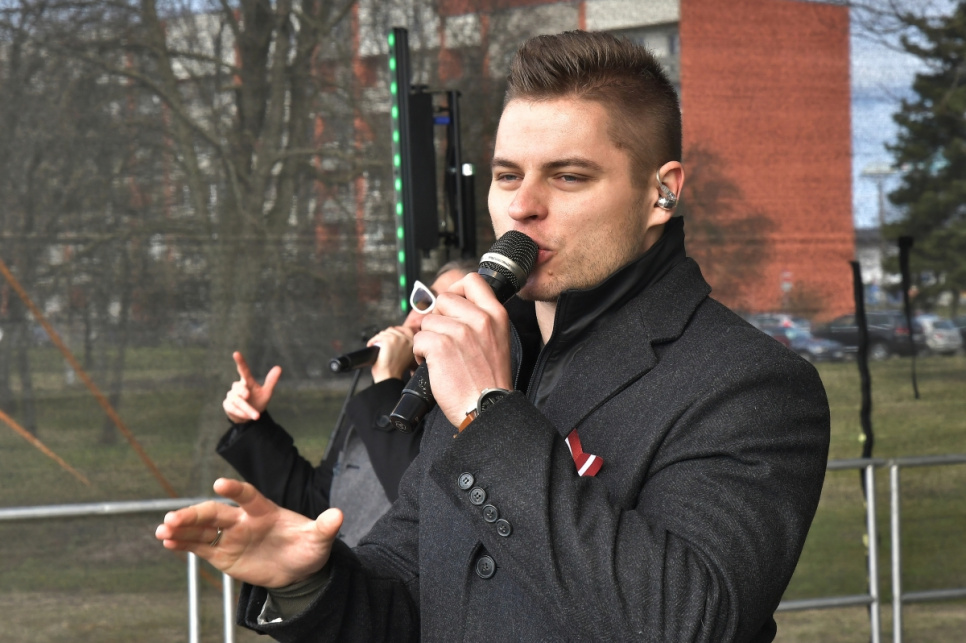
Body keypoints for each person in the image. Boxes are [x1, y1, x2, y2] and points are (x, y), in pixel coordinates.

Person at [157, 30, 830, 642]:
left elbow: (685, 622)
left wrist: (488, 414)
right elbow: (410, 595)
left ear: (662, 192)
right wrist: (310, 580)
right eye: (508, 174)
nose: (521, 206)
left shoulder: (750, 384)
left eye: (568, 176)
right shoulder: (493, 354)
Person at [216, 261, 473, 545]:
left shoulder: (467, 412)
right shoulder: (384, 398)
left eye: (446, 308)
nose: (422, 316)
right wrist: (251, 423)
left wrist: (386, 383)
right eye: (424, 299)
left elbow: (429, 507)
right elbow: (317, 504)